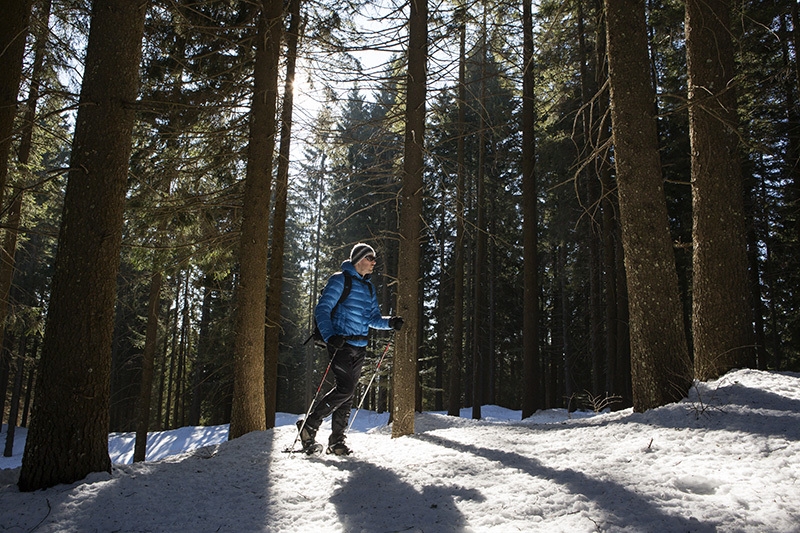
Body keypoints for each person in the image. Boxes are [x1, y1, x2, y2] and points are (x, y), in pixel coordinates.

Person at [297, 243, 403, 455]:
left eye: (374, 258)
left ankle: (337, 441)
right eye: (370, 258)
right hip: (341, 344)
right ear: (358, 259)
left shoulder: (369, 287)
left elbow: (372, 318)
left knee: (348, 393)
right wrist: (330, 336)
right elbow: (323, 309)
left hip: (360, 346)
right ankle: (309, 425)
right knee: (345, 389)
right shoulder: (340, 280)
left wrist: (390, 322)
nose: (374, 262)